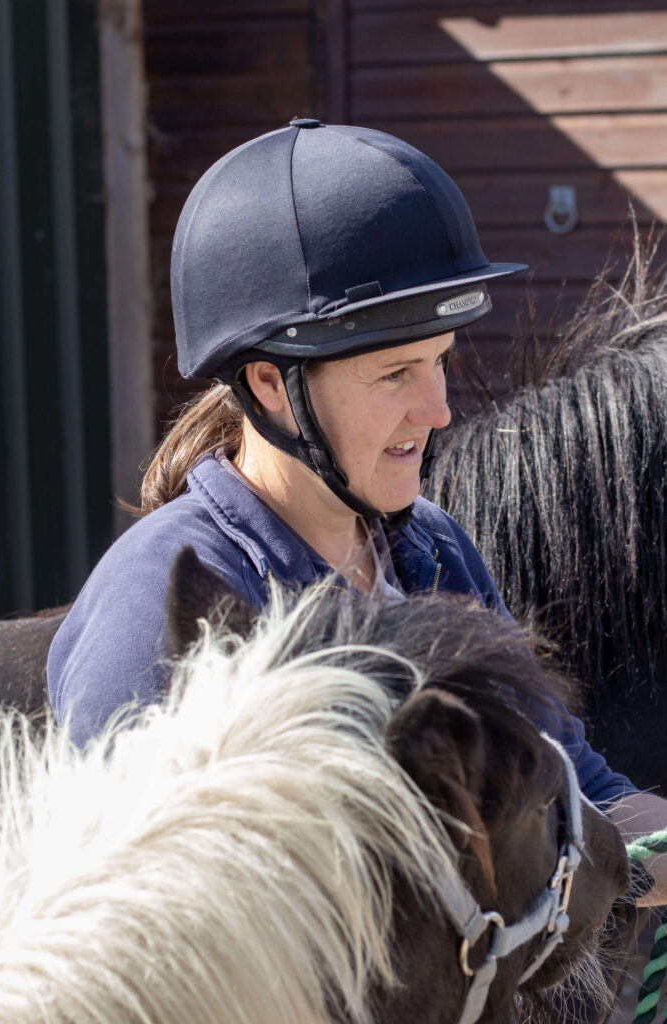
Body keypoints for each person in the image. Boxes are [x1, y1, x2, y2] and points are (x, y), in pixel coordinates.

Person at [47, 119, 667, 906]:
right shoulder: (157, 612)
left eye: (440, 363)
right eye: (395, 375)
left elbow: (582, 794)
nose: (438, 411)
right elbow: (137, 929)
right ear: (271, 386)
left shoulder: (434, 550)